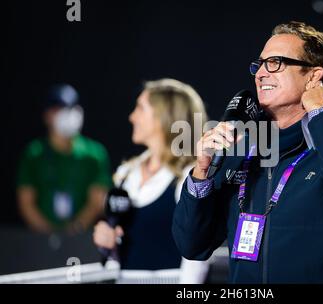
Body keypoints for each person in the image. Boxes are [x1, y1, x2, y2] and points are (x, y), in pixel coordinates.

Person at [172, 21, 323, 283]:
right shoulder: (238, 151)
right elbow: (192, 245)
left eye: (275, 63)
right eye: (259, 65)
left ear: (313, 76)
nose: (260, 73)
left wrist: (320, 112)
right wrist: (201, 173)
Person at [93, 79, 209, 283]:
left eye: (140, 108)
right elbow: (121, 256)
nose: (131, 117)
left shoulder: (188, 176)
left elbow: (196, 256)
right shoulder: (126, 173)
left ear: (164, 117)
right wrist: (107, 243)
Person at [16, 84, 112, 234]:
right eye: (58, 109)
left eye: (70, 109)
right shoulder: (34, 153)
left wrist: (73, 231)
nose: (65, 115)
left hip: (82, 240)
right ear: (47, 115)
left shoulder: (95, 154)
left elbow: (97, 201)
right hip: (40, 240)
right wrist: (49, 236)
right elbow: (26, 202)